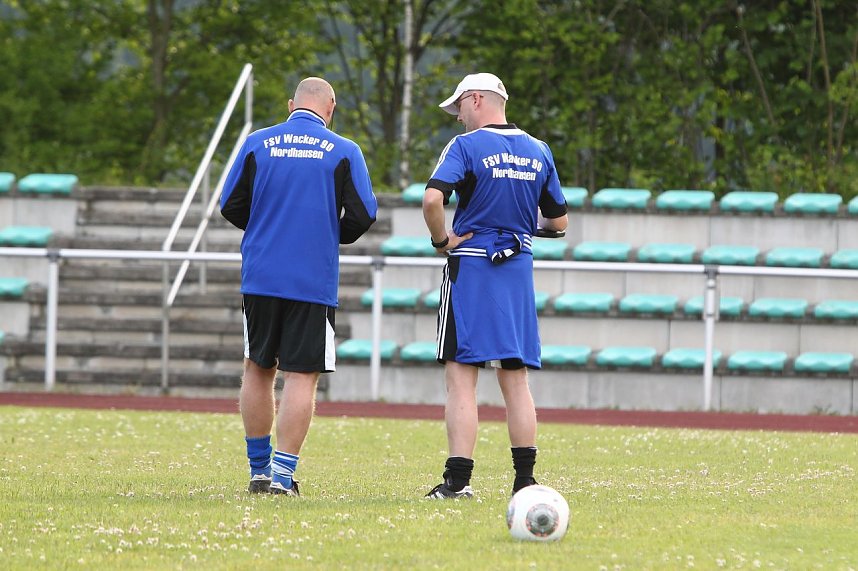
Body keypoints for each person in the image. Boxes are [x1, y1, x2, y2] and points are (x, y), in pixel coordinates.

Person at [221, 77, 378, 496]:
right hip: (312, 278)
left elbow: (230, 204)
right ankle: (282, 477)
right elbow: (364, 214)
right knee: (302, 375)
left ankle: (258, 471)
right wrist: (329, 234)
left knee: (258, 367)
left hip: (261, 274)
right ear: (331, 108)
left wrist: (266, 228)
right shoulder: (345, 150)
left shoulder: (257, 142)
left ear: (292, 104)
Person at [422, 72, 568, 499]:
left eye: (459, 107)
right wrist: (518, 227)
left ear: (476, 99)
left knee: (461, 377)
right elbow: (558, 222)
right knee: (515, 378)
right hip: (517, 267)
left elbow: (432, 199)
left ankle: (457, 481)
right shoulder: (539, 149)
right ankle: (525, 481)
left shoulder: (466, 146)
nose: (458, 117)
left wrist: (441, 241)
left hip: (472, 268)